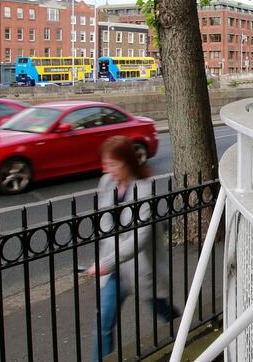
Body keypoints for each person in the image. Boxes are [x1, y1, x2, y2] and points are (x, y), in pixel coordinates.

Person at [87, 136, 178, 360]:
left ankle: (185, 334)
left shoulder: (144, 190)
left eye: (112, 164)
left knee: (162, 309)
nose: (107, 169)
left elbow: (141, 237)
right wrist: (113, 251)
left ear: (126, 162)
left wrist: (107, 262)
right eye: (105, 163)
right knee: (103, 323)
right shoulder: (107, 183)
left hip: (141, 267)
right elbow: (103, 221)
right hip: (115, 269)